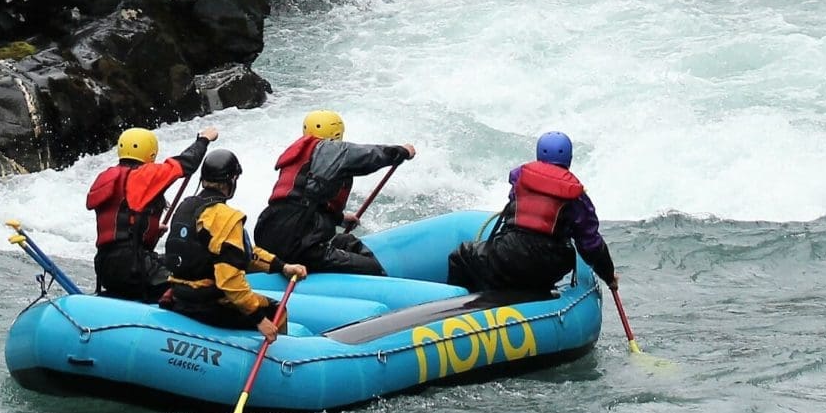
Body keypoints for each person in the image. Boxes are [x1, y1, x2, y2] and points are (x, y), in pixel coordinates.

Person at [445, 131, 619, 297]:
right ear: (569, 159)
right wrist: (609, 276)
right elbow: (591, 244)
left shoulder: (520, 177)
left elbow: (514, 204)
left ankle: (461, 311)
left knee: (461, 256)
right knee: (534, 264)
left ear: (538, 156)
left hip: (510, 253)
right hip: (551, 264)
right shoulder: (578, 196)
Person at [159, 148, 308, 335]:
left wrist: (282, 266)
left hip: (180, 296)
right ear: (230, 181)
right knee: (277, 311)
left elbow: (240, 253)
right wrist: (258, 318)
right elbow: (229, 280)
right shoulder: (225, 216)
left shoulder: (185, 206)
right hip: (207, 304)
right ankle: (280, 360)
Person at [255, 110, 418, 276]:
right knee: (371, 269)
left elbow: (304, 201)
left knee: (347, 241)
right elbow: (366, 156)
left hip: (270, 235)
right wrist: (401, 151)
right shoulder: (329, 149)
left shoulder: (304, 156)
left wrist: (340, 219)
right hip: (299, 246)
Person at [85, 125, 216, 300]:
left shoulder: (107, 177)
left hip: (104, 266)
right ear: (151, 153)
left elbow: (123, 219)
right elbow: (185, 164)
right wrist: (203, 140)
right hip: (132, 267)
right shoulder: (144, 175)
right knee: (191, 280)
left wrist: (152, 230)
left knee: (170, 262)